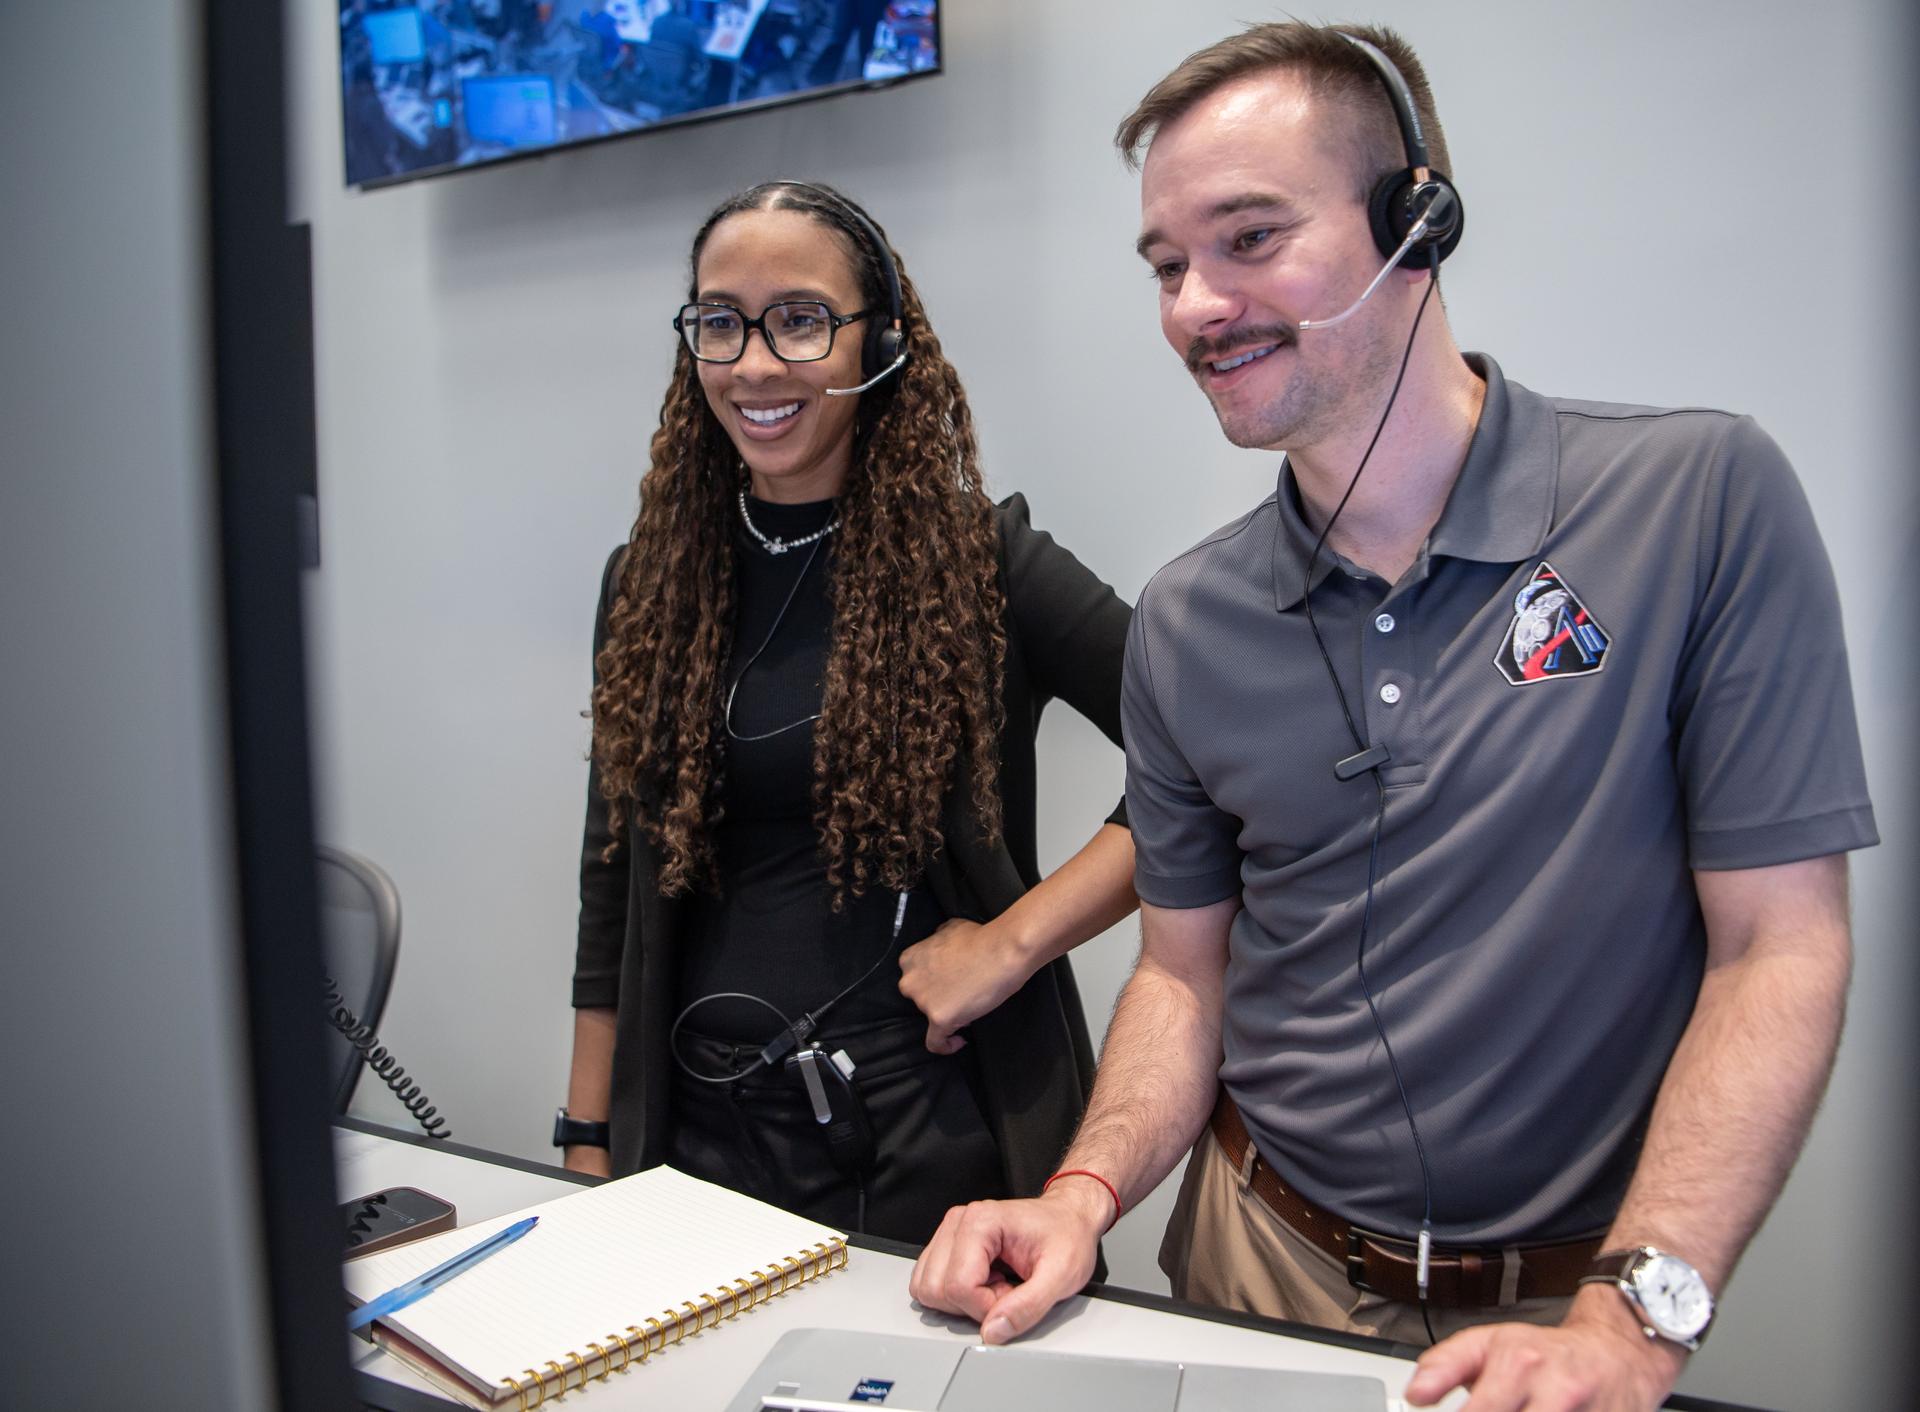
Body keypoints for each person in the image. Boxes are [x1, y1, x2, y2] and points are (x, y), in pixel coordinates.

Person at [909, 22, 1876, 1410]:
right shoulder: (1188, 620)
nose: (1193, 305)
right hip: (1259, 1264)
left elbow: (1777, 949)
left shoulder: (1700, 500)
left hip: (1568, 1301)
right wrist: (1081, 1195)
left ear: (1418, 221)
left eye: (1248, 238)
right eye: (1168, 264)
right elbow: (1187, 975)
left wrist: (1637, 1320)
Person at [562, 180, 1137, 1246]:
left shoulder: (980, 564)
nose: (754, 364)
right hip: (694, 1137)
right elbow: (612, 880)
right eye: (720, 322)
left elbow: (1208, 762)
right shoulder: (649, 580)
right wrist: (587, 1136)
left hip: (927, 1143)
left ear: (881, 341)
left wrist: (1013, 943)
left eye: (800, 319)